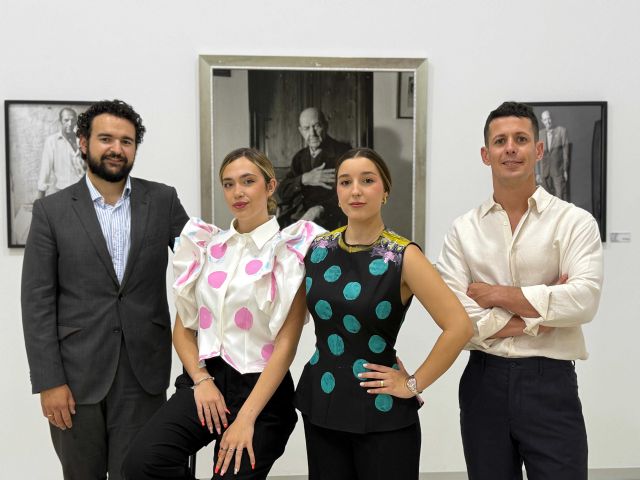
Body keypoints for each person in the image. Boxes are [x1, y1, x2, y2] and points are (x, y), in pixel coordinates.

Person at [124, 147, 324, 479]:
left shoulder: (290, 251)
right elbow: (183, 329)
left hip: (262, 391)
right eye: (229, 184)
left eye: (248, 181)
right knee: (142, 464)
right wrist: (201, 380)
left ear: (270, 186)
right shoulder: (205, 247)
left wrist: (245, 418)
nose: (237, 192)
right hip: (206, 381)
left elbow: (286, 346)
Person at [21, 99, 189, 480]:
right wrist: (49, 381)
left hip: (143, 374)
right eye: (106, 139)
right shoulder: (51, 211)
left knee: (141, 473)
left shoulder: (162, 200)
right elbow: (37, 303)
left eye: (127, 141)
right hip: (74, 380)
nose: (117, 148)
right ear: (84, 143)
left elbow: (203, 266)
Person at [437, 102, 603, 480]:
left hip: (551, 384)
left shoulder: (575, 223)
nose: (510, 148)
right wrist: (542, 312)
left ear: (539, 149)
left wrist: (496, 294)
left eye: (521, 139)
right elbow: (457, 320)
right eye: (500, 141)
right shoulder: (463, 231)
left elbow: (583, 301)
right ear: (486, 154)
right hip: (483, 382)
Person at [295, 147, 472, 479]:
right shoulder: (318, 250)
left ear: (385, 191)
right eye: (345, 182)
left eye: (367, 180)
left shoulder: (404, 256)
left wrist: (413, 383)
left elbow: (459, 326)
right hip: (321, 403)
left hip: (381, 411)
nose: (355, 190)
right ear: (337, 193)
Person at [278, 107, 350, 230]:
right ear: (301, 131)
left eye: (316, 126)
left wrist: (320, 209)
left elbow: (350, 193)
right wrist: (304, 179)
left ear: (325, 126)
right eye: (306, 128)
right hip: (298, 219)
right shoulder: (299, 157)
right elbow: (282, 192)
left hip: (330, 222)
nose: (312, 133)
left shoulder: (344, 153)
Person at [36, 106, 85, 199]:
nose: (70, 124)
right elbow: (45, 171)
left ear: (76, 121)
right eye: (66, 120)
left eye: (72, 120)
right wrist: (38, 202)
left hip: (84, 193)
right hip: (63, 193)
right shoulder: (52, 142)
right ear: (60, 121)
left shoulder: (82, 140)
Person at [536, 109, 569, 200]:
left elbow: (565, 152)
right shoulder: (539, 134)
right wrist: (538, 173)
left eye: (549, 118)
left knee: (559, 197)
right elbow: (537, 155)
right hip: (544, 171)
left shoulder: (561, 131)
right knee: (546, 199)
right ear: (542, 121)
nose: (548, 121)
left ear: (552, 118)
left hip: (558, 170)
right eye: (545, 119)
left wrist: (565, 170)